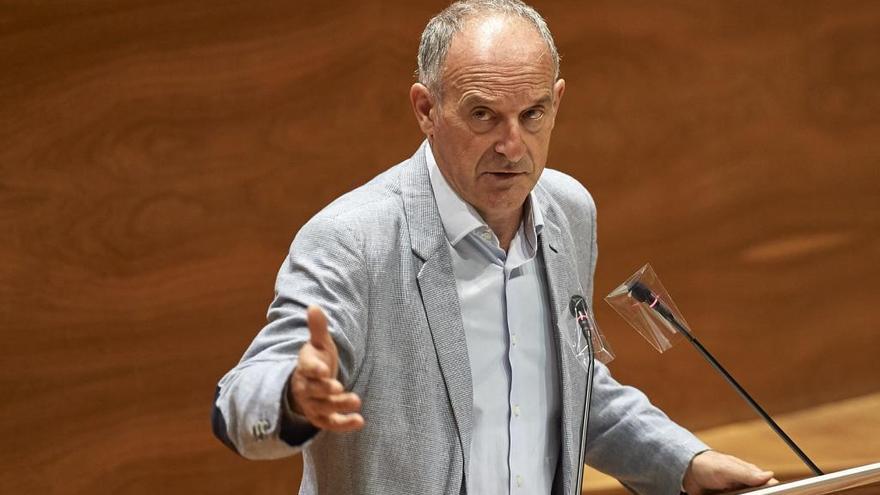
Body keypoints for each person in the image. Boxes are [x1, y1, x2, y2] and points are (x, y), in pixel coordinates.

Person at [212, 1, 777, 494]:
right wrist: (290, 398)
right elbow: (241, 398)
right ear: (426, 109)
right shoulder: (354, 241)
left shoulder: (568, 212)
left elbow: (569, 393)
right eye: (483, 115)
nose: (513, 145)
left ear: (556, 102)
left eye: (533, 114)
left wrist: (685, 462)